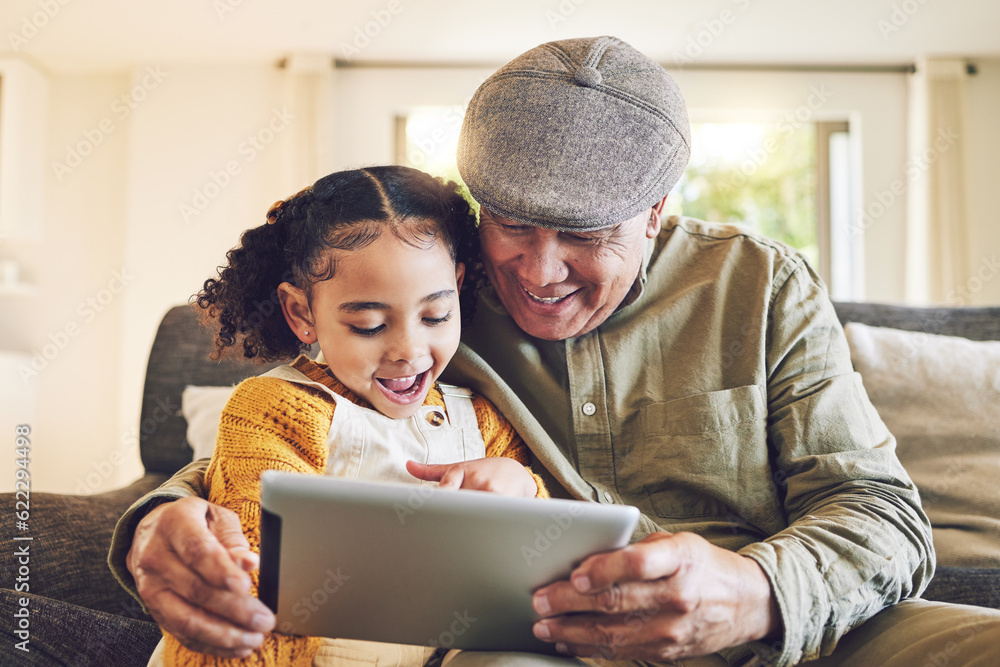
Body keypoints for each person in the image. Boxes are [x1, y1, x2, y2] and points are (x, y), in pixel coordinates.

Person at [112, 36, 1000, 666]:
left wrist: (753, 592)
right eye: (512, 223)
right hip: (546, 642)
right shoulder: (436, 295)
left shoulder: (759, 285)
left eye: (583, 235)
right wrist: (160, 523)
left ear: (655, 213)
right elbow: (306, 419)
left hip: (791, 632)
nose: (537, 272)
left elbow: (881, 514)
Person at [145, 165, 548, 666]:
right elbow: (252, 582)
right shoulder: (274, 410)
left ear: (458, 289)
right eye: (368, 324)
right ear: (302, 315)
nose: (408, 350)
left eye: (435, 317)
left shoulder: (484, 418)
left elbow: (540, 557)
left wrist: (524, 486)